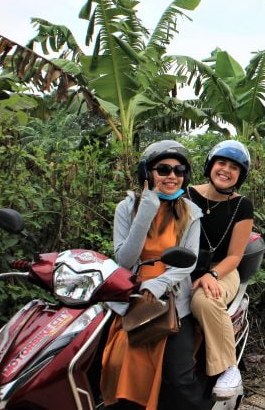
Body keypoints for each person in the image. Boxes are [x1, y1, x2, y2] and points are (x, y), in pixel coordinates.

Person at [101, 140, 208, 410]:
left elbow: (188, 261)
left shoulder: (190, 212)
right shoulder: (126, 208)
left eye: (179, 170)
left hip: (173, 300)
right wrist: (146, 211)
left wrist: (158, 284)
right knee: (116, 365)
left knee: (179, 376)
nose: (172, 176)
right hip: (134, 300)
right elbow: (124, 259)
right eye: (163, 169)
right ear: (147, 173)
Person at [187, 140, 254, 399]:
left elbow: (236, 255)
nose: (226, 170)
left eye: (234, 167)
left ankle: (229, 369)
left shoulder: (242, 206)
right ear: (210, 165)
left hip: (222, 270)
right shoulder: (187, 194)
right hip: (185, 268)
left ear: (240, 175)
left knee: (206, 299)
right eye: (221, 163)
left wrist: (212, 275)